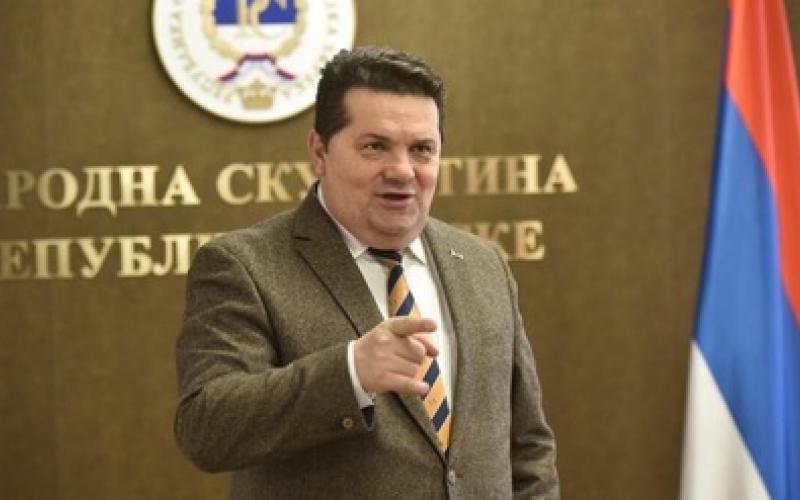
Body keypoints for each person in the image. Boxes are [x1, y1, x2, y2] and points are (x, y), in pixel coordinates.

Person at [174, 45, 559, 499]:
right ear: (320, 152)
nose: (402, 170)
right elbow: (207, 427)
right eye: (375, 147)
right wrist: (350, 372)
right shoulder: (244, 265)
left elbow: (527, 448)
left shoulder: (482, 264)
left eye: (422, 150)